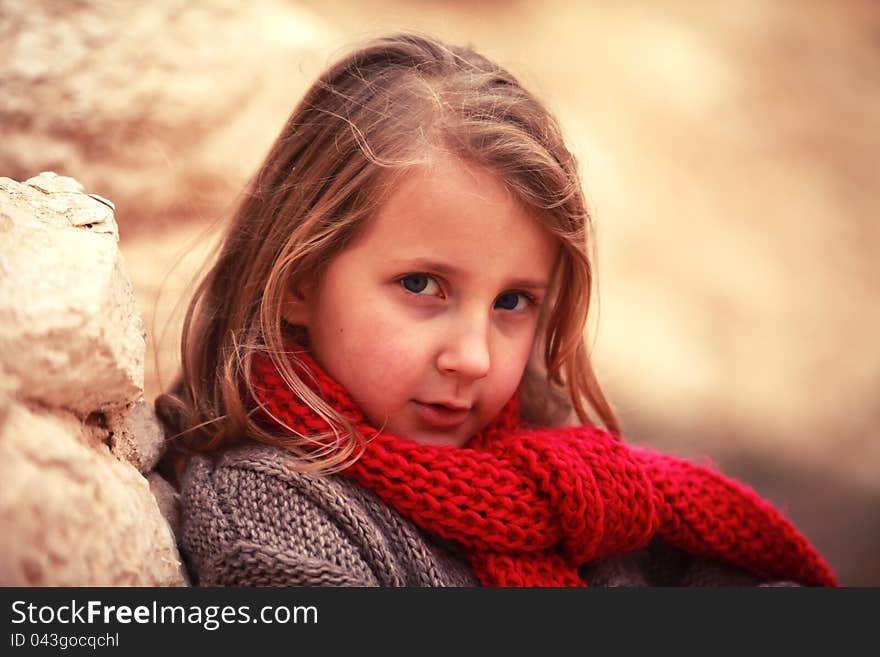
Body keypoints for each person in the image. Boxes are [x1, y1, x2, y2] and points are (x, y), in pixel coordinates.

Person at [156, 33, 837, 587]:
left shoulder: (576, 494)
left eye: (513, 301)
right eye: (422, 285)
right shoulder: (272, 505)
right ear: (300, 278)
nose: (475, 356)